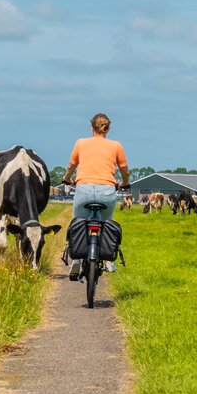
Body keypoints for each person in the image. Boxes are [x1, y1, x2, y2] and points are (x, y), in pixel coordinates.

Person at [62, 113, 130, 276]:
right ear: (108, 129)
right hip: (106, 190)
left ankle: (77, 261)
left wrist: (66, 178)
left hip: (83, 189)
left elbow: (71, 166)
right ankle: (108, 261)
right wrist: (124, 182)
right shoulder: (116, 145)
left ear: (91, 127)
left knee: (78, 221)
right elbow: (124, 170)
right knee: (107, 222)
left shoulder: (80, 143)